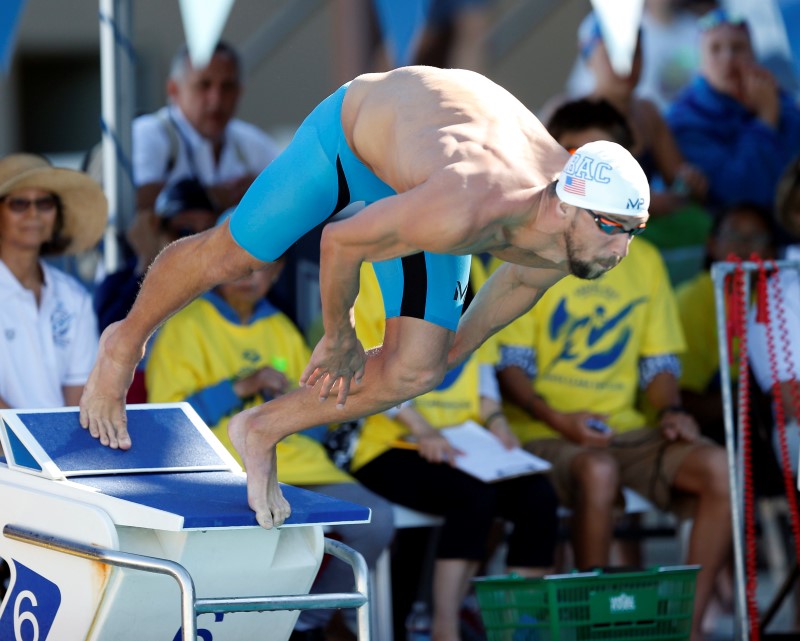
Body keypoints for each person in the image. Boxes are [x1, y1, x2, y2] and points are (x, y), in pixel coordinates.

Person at [79, 65, 651, 530]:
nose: (621, 248)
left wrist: (450, 353)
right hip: (353, 140)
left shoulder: (568, 232)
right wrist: (341, 333)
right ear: (567, 205)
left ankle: (260, 428)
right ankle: (122, 344)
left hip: (428, 167)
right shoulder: (466, 207)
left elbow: (522, 280)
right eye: (611, 227)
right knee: (237, 253)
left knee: (417, 370)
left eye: (633, 230)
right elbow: (340, 240)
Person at [494, 230, 731, 641]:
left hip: (624, 429)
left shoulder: (647, 260)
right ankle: (595, 627)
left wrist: (671, 411)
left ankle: (688, 629)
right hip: (542, 429)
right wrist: (560, 420)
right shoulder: (531, 252)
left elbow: (658, 365)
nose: (624, 232)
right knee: (598, 470)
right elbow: (510, 366)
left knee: (720, 469)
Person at [145, 253, 394, 641]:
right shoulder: (183, 324)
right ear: (218, 266)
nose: (249, 276)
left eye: (261, 266)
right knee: (248, 539)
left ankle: (305, 622)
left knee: (375, 519)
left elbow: (319, 418)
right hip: (222, 471)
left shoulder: (281, 327)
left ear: (277, 272)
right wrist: (241, 386)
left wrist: (291, 406)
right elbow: (168, 423)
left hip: (304, 468)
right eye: (239, 264)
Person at [350, 261, 558, 641]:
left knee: (539, 498)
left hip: (464, 443)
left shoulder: (467, 260)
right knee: (472, 498)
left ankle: (513, 627)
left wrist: (498, 424)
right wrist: (422, 428)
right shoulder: (376, 261)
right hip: (388, 443)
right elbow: (369, 361)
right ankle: (446, 627)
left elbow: (479, 367)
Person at [0, 153, 107, 409]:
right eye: (19, 204)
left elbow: (78, 400)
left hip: (54, 447)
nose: (34, 213)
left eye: (45, 203)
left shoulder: (73, 296)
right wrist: (22, 445)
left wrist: (59, 446)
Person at [667, 9, 800, 213]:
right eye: (715, 49)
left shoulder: (779, 100)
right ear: (700, 64)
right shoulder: (685, 120)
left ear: (754, 55)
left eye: (738, 48)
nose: (728, 58)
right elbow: (739, 193)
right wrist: (765, 120)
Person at [133, 41, 281, 215]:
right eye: (204, 85)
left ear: (239, 92)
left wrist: (265, 192)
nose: (216, 99)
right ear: (174, 90)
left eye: (227, 87)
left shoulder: (250, 142)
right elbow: (132, 203)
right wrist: (213, 197)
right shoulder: (148, 133)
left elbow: (291, 189)